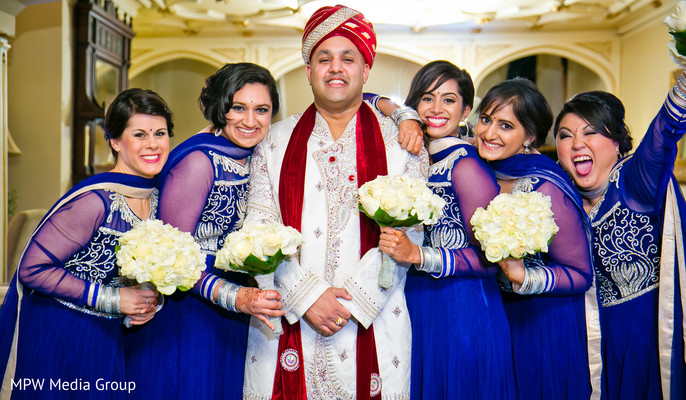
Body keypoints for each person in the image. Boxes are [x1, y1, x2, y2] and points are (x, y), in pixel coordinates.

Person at [242, 5, 428, 399]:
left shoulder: (404, 144)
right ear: (309, 71)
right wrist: (307, 297)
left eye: (348, 58)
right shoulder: (274, 141)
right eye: (323, 59)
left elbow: (410, 233)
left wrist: (351, 303)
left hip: (373, 318)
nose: (335, 68)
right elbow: (257, 230)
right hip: (289, 315)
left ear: (365, 69)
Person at [124, 63, 285, 400]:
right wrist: (233, 295)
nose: (250, 120)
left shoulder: (256, 154)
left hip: (237, 305)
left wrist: (391, 108)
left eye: (262, 110)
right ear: (220, 108)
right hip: (191, 308)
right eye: (238, 107)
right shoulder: (199, 162)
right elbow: (171, 260)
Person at [0, 88, 169, 399]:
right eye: (139, 134)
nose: (152, 144)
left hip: (110, 335)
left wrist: (148, 303)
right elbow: (32, 269)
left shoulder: (157, 197)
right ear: (116, 141)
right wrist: (114, 300)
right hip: (63, 333)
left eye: (160, 133)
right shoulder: (94, 201)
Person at [375, 60, 516, 399]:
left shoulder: (466, 166)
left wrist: (418, 255)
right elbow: (364, 97)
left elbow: (491, 259)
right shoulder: (421, 160)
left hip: (462, 309)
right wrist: (398, 113)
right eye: (427, 98)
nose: (436, 109)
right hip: (422, 302)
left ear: (466, 109)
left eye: (449, 100)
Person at [554, 75, 686, 398]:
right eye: (565, 135)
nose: (576, 144)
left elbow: (664, 132)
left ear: (616, 142)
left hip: (648, 345)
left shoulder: (634, 183)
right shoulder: (557, 199)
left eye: (590, 133)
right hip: (589, 352)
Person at [476, 78, 596, 399]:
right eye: (486, 119)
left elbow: (581, 274)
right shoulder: (480, 171)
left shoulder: (546, 185)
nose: (489, 133)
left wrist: (525, 276)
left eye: (505, 125)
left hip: (542, 323)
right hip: (494, 319)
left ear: (529, 136)